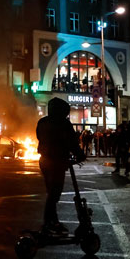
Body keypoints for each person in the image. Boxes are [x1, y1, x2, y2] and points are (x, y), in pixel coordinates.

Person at [36, 98, 86, 236]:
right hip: (57, 161)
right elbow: (71, 142)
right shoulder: (63, 124)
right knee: (54, 193)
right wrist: (80, 155)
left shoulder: (42, 122)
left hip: (44, 160)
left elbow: (39, 137)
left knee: (51, 192)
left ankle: (53, 221)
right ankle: (48, 222)